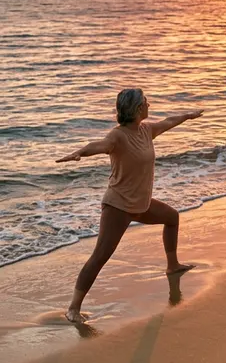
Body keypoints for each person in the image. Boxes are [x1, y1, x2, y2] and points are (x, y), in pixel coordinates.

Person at [56, 89, 202, 322]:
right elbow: (100, 145)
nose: (148, 104)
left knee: (172, 217)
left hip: (141, 204)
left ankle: (172, 265)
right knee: (100, 256)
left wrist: (187, 116)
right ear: (136, 109)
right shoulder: (118, 136)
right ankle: (73, 308)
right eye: (145, 102)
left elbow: (168, 122)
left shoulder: (146, 130)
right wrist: (79, 153)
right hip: (118, 207)